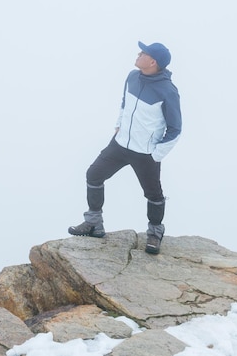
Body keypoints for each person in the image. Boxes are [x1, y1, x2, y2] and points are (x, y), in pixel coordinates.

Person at [68, 41, 182, 254]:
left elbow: (175, 129)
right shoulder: (131, 77)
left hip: (145, 153)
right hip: (119, 146)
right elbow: (124, 104)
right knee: (93, 175)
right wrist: (119, 126)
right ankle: (94, 224)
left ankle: (155, 234)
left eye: (143, 52)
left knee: (154, 195)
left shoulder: (168, 91)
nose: (138, 54)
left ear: (152, 61)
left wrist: (156, 154)